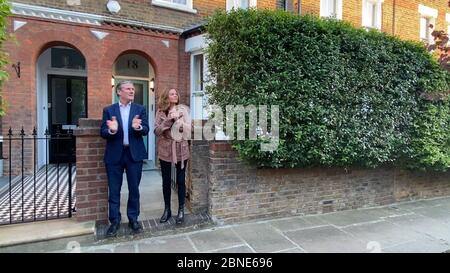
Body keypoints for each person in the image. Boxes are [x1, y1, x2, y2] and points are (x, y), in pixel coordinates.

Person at [100, 80, 149, 237]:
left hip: (134, 155)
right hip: (115, 155)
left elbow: (146, 129)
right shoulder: (109, 110)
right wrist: (112, 131)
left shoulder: (140, 109)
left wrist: (138, 127)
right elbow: (103, 132)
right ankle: (114, 221)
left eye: (133, 89)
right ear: (119, 92)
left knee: (134, 189)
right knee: (114, 190)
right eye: (128, 89)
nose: (132, 91)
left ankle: (133, 219)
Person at [154, 88, 191, 225]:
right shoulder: (160, 112)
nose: (175, 95)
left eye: (176, 93)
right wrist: (168, 121)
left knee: (181, 181)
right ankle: (167, 209)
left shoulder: (184, 110)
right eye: (172, 94)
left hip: (181, 148)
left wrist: (179, 123)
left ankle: (181, 210)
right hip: (165, 148)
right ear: (166, 97)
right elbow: (156, 131)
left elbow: (189, 130)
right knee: (166, 181)